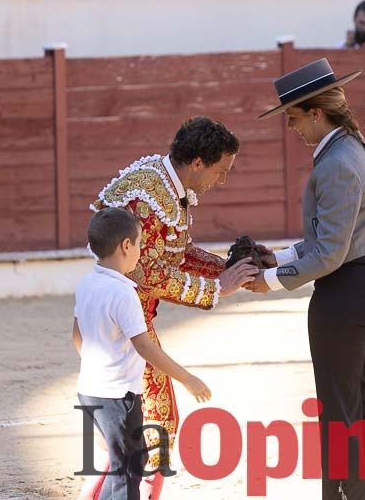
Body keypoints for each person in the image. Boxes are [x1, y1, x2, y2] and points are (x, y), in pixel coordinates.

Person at [254, 58, 365, 500]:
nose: (292, 128)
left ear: (316, 112)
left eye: (294, 117)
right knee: (360, 409)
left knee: (339, 417)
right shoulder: (352, 148)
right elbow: (333, 239)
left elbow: (331, 253)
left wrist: (272, 280)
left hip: (346, 297)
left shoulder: (335, 164)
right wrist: (275, 258)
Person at [89, 117, 259, 497]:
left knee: (146, 422)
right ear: (198, 162)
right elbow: (147, 272)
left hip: (123, 316)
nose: (222, 180)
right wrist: (218, 288)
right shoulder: (149, 198)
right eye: (221, 171)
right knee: (156, 421)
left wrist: (230, 271)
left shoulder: (167, 187)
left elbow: (175, 256)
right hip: (123, 320)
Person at [72, 207, 212, 500]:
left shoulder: (86, 283)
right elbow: (145, 345)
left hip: (89, 390)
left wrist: (97, 368)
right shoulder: (124, 293)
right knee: (128, 475)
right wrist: (186, 378)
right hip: (118, 397)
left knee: (119, 470)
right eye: (138, 243)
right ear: (125, 246)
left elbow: (77, 334)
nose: (140, 249)